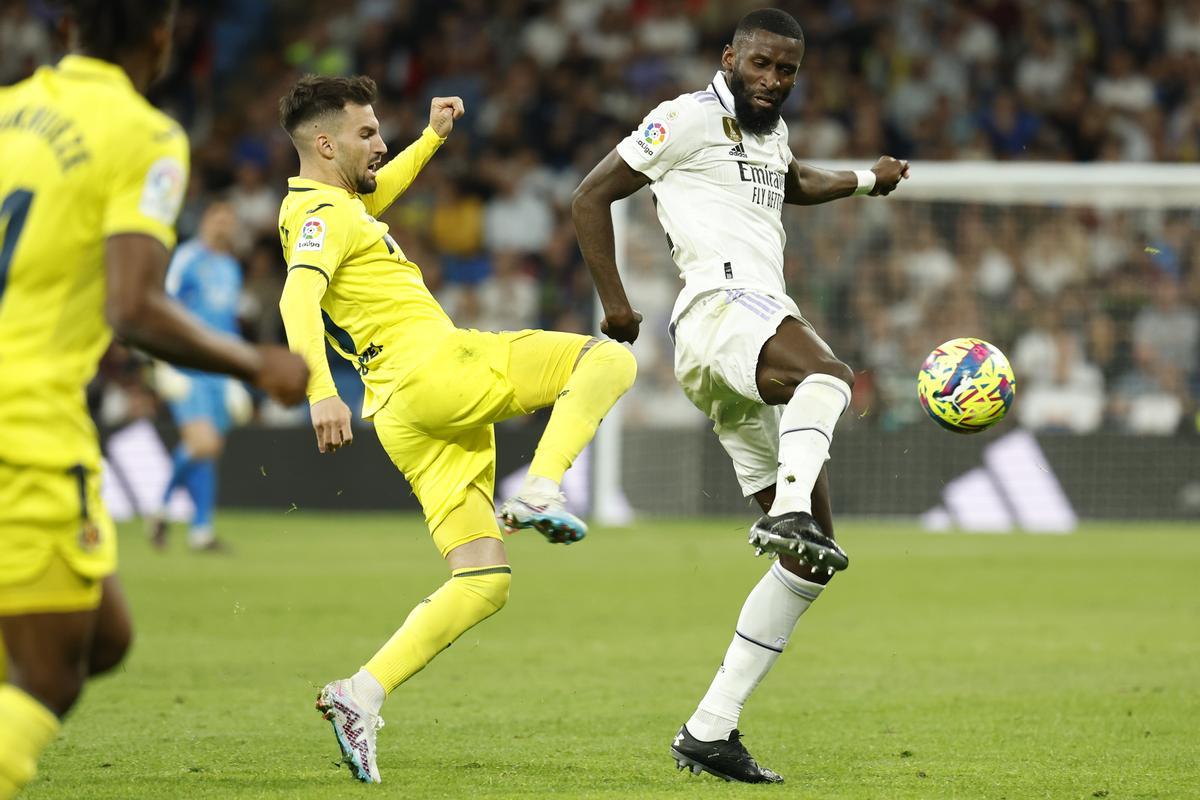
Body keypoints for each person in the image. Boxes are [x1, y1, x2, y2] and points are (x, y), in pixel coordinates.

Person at [571, 8, 907, 784]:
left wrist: (868, 179)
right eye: (759, 65)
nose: (771, 81)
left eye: (785, 70)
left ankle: (710, 729)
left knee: (813, 563)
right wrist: (615, 303)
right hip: (722, 309)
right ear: (730, 57)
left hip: (735, 349)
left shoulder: (770, 135)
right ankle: (788, 509)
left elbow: (797, 184)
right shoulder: (686, 119)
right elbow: (590, 197)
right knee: (828, 376)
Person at [275, 75, 636, 784]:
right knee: (608, 360)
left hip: (404, 415)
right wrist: (319, 390)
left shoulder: (335, 204)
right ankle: (541, 487)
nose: (380, 143)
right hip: (437, 367)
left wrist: (430, 139)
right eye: (367, 133)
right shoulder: (322, 216)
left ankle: (360, 694)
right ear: (324, 144)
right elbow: (298, 293)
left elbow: (378, 190)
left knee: (482, 580)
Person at [0, 2, 308, 797]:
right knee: (53, 673)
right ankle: (185, 520)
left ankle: (180, 520)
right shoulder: (143, 135)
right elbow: (132, 306)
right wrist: (253, 361)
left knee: (106, 638)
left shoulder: (7, 113)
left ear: (67, 28)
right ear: (163, 39)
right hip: (23, 421)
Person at [146, 201, 248, 551]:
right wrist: (164, 363)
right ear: (206, 220)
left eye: (229, 221)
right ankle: (159, 508)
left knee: (210, 449)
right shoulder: (187, 258)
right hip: (188, 365)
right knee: (202, 443)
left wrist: (237, 373)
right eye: (219, 219)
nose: (224, 226)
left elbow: (229, 323)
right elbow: (164, 306)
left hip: (219, 371)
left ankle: (200, 530)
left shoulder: (231, 267)